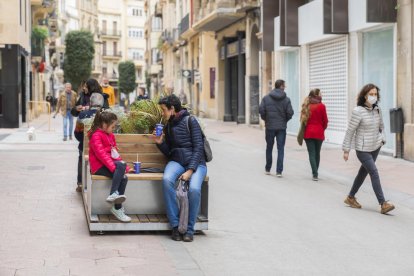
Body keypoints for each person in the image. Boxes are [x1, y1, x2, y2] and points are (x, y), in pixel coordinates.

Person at [154, 94, 207, 242]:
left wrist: (190, 171)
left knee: (195, 189)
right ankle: (176, 225)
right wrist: (159, 143)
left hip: (197, 164)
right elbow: (170, 151)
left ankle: (190, 229)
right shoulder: (169, 125)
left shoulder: (191, 121)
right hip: (176, 161)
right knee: (166, 180)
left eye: (164, 110)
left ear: (172, 109)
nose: (163, 113)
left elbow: (198, 149)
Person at [342, 83, 395, 215]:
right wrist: (346, 149)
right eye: (371, 94)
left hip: (375, 146)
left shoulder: (377, 110)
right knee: (374, 172)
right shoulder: (358, 111)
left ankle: (350, 197)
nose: (373, 96)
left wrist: (382, 139)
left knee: (363, 173)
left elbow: (381, 126)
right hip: (362, 149)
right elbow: (350, 131)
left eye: (375, 94)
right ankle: (383, 203)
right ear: (364, 96)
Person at [88, 109, 133, 222]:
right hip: (98, 167)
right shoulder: (96, 136)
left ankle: (116, 208)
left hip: (109, 165)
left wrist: (125, 169)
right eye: (112, 126)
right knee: (121, 170)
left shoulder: (110, 135)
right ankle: (113, 194)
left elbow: (115, 154)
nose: (114, 129)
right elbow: (102, 155)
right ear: (104, 124)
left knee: (124, 176)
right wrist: (115, 168)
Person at [259, 79, 294, 177]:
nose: (285, 87)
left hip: (270, 126)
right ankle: (279, 172)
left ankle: (268, 168)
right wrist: (284, 120)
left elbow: (261, 110)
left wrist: (266, 119)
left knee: (269, 147)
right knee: (280, 149)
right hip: (281, 127)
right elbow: (290, 113)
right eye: (284, 86)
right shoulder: (287, 99)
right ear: (281, 86)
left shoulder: (266, 98)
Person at [73, 93, 104, 192]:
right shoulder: (106, 115)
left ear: (90, 103)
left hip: (84, 147)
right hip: (101, 149)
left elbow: (77, 132)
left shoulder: (82, 114)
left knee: (81, 158)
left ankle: (80, 183)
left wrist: (83, 141)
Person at [300, 89, 328, 181]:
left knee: (311, 153)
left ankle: (314, 173)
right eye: (320, 93)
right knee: (317, 153)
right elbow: (325, 121)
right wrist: (322, 128)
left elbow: (302, 120)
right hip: (319, 132)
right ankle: (316, 172)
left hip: (308, 133)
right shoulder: (322, 106)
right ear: (316, 95)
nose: (321, 94)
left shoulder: (306, 106)